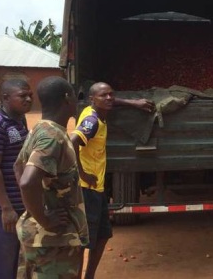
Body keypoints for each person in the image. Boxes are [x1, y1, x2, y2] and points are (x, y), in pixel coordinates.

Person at [69, 82, 154, 279]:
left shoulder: (96, 111)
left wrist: (134, 103)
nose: (108, 98)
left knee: (103, 235)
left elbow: (111, 101)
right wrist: (82, 173)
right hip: (87, 188)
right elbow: (72, 142)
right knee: (85, 241)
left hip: (97, 187)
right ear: (92, 100)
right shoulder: (92, 121)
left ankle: (89, 276)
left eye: (111, 95)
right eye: (103, 96)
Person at [14, 76, 89, 278]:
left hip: (41, 239)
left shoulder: (39, 129)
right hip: (53, 243)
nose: (77, 101)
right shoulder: (51, 137)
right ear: (67, 98)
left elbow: (18, 168)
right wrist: (44, 219)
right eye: (75, 95)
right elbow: (27, 181)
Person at [0, 79, 32, 279]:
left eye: (30, 96)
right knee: (0, 267)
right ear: (5, 98)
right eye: (22, 96)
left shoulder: (19, 120)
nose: (28, 99)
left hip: (19, 205)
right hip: (1, 207)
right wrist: (6, 208)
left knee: (16, 264)